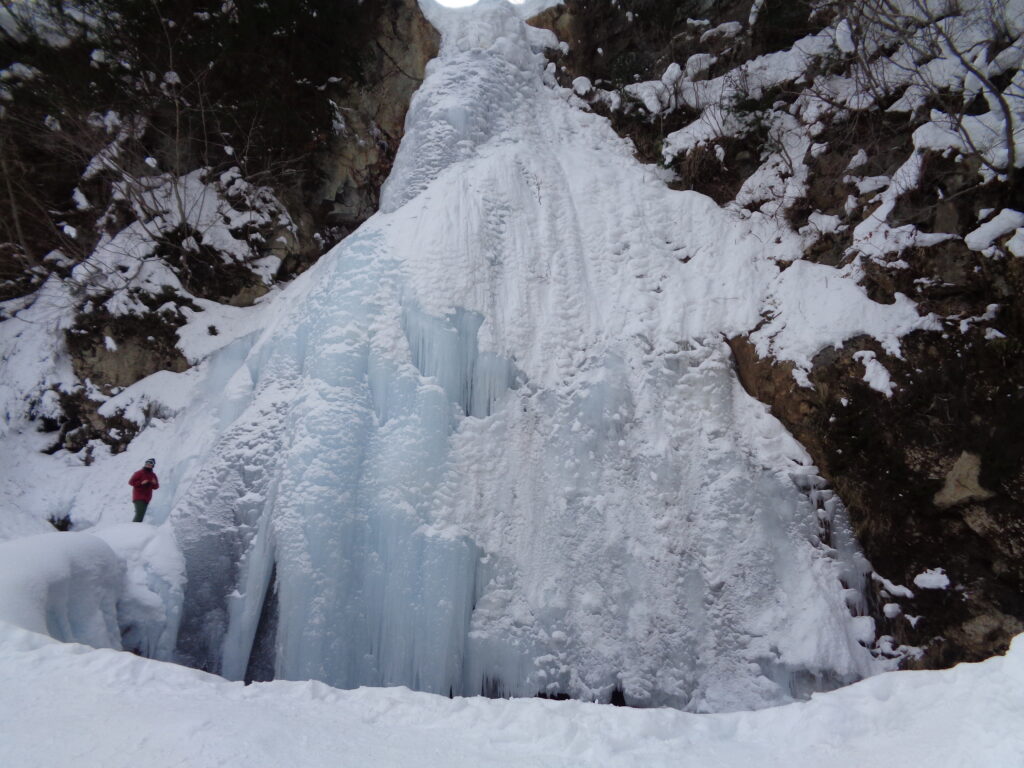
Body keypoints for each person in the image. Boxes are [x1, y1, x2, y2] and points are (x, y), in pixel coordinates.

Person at [129, 458, 160, 523]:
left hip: (147, 498)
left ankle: (134, 529)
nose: (148, 465)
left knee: (141, 515)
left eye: (150, 464)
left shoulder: (153, 475)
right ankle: (132, 529)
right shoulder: (139, 473)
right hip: (138, 497)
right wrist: (141, 483)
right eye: (147, 463)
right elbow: (131, 482)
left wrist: (155, 483)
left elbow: (156, 487)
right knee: (139, 515)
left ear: (152, 465)